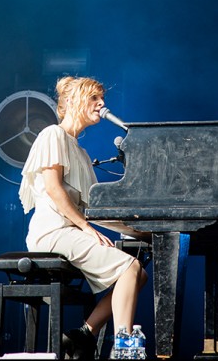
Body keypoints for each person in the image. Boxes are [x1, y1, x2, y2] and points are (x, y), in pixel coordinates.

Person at [18, 76, 148, 360]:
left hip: (72, 230)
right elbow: (53, 189)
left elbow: (93, 210)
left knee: (139, 273)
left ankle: (84, 334)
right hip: (52, 232)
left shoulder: (81, 152)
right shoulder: (52, 134)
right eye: (94, 98)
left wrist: (141, 230)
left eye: (102, 99)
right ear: (74, 101)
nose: (102, 104)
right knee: (128, 268)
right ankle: (125, 348)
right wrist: (86, 228)